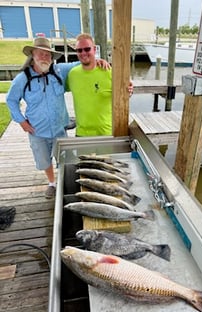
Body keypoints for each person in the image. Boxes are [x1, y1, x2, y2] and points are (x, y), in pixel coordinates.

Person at [6, 36, 109, 199]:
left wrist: (99, 60)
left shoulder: (60, 71)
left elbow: (83, 62)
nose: (44, 58)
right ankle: (52, 183)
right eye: (40, 54)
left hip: (60, 129)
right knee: (44, 161)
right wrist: (21, 121)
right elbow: (11, 100)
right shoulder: (22, 79)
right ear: (33, 55)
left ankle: (62, 182)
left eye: (48, 55)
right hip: (37, 131)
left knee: (64, 160)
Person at [66, 33, 133, 137]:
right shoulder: (72, 74)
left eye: (87, 49)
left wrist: (129, 90)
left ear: (94, 49)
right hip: (82, 134)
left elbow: (125, 94)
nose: (83, 53)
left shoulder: (110, 72)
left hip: (106, 133)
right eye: (79, 50)